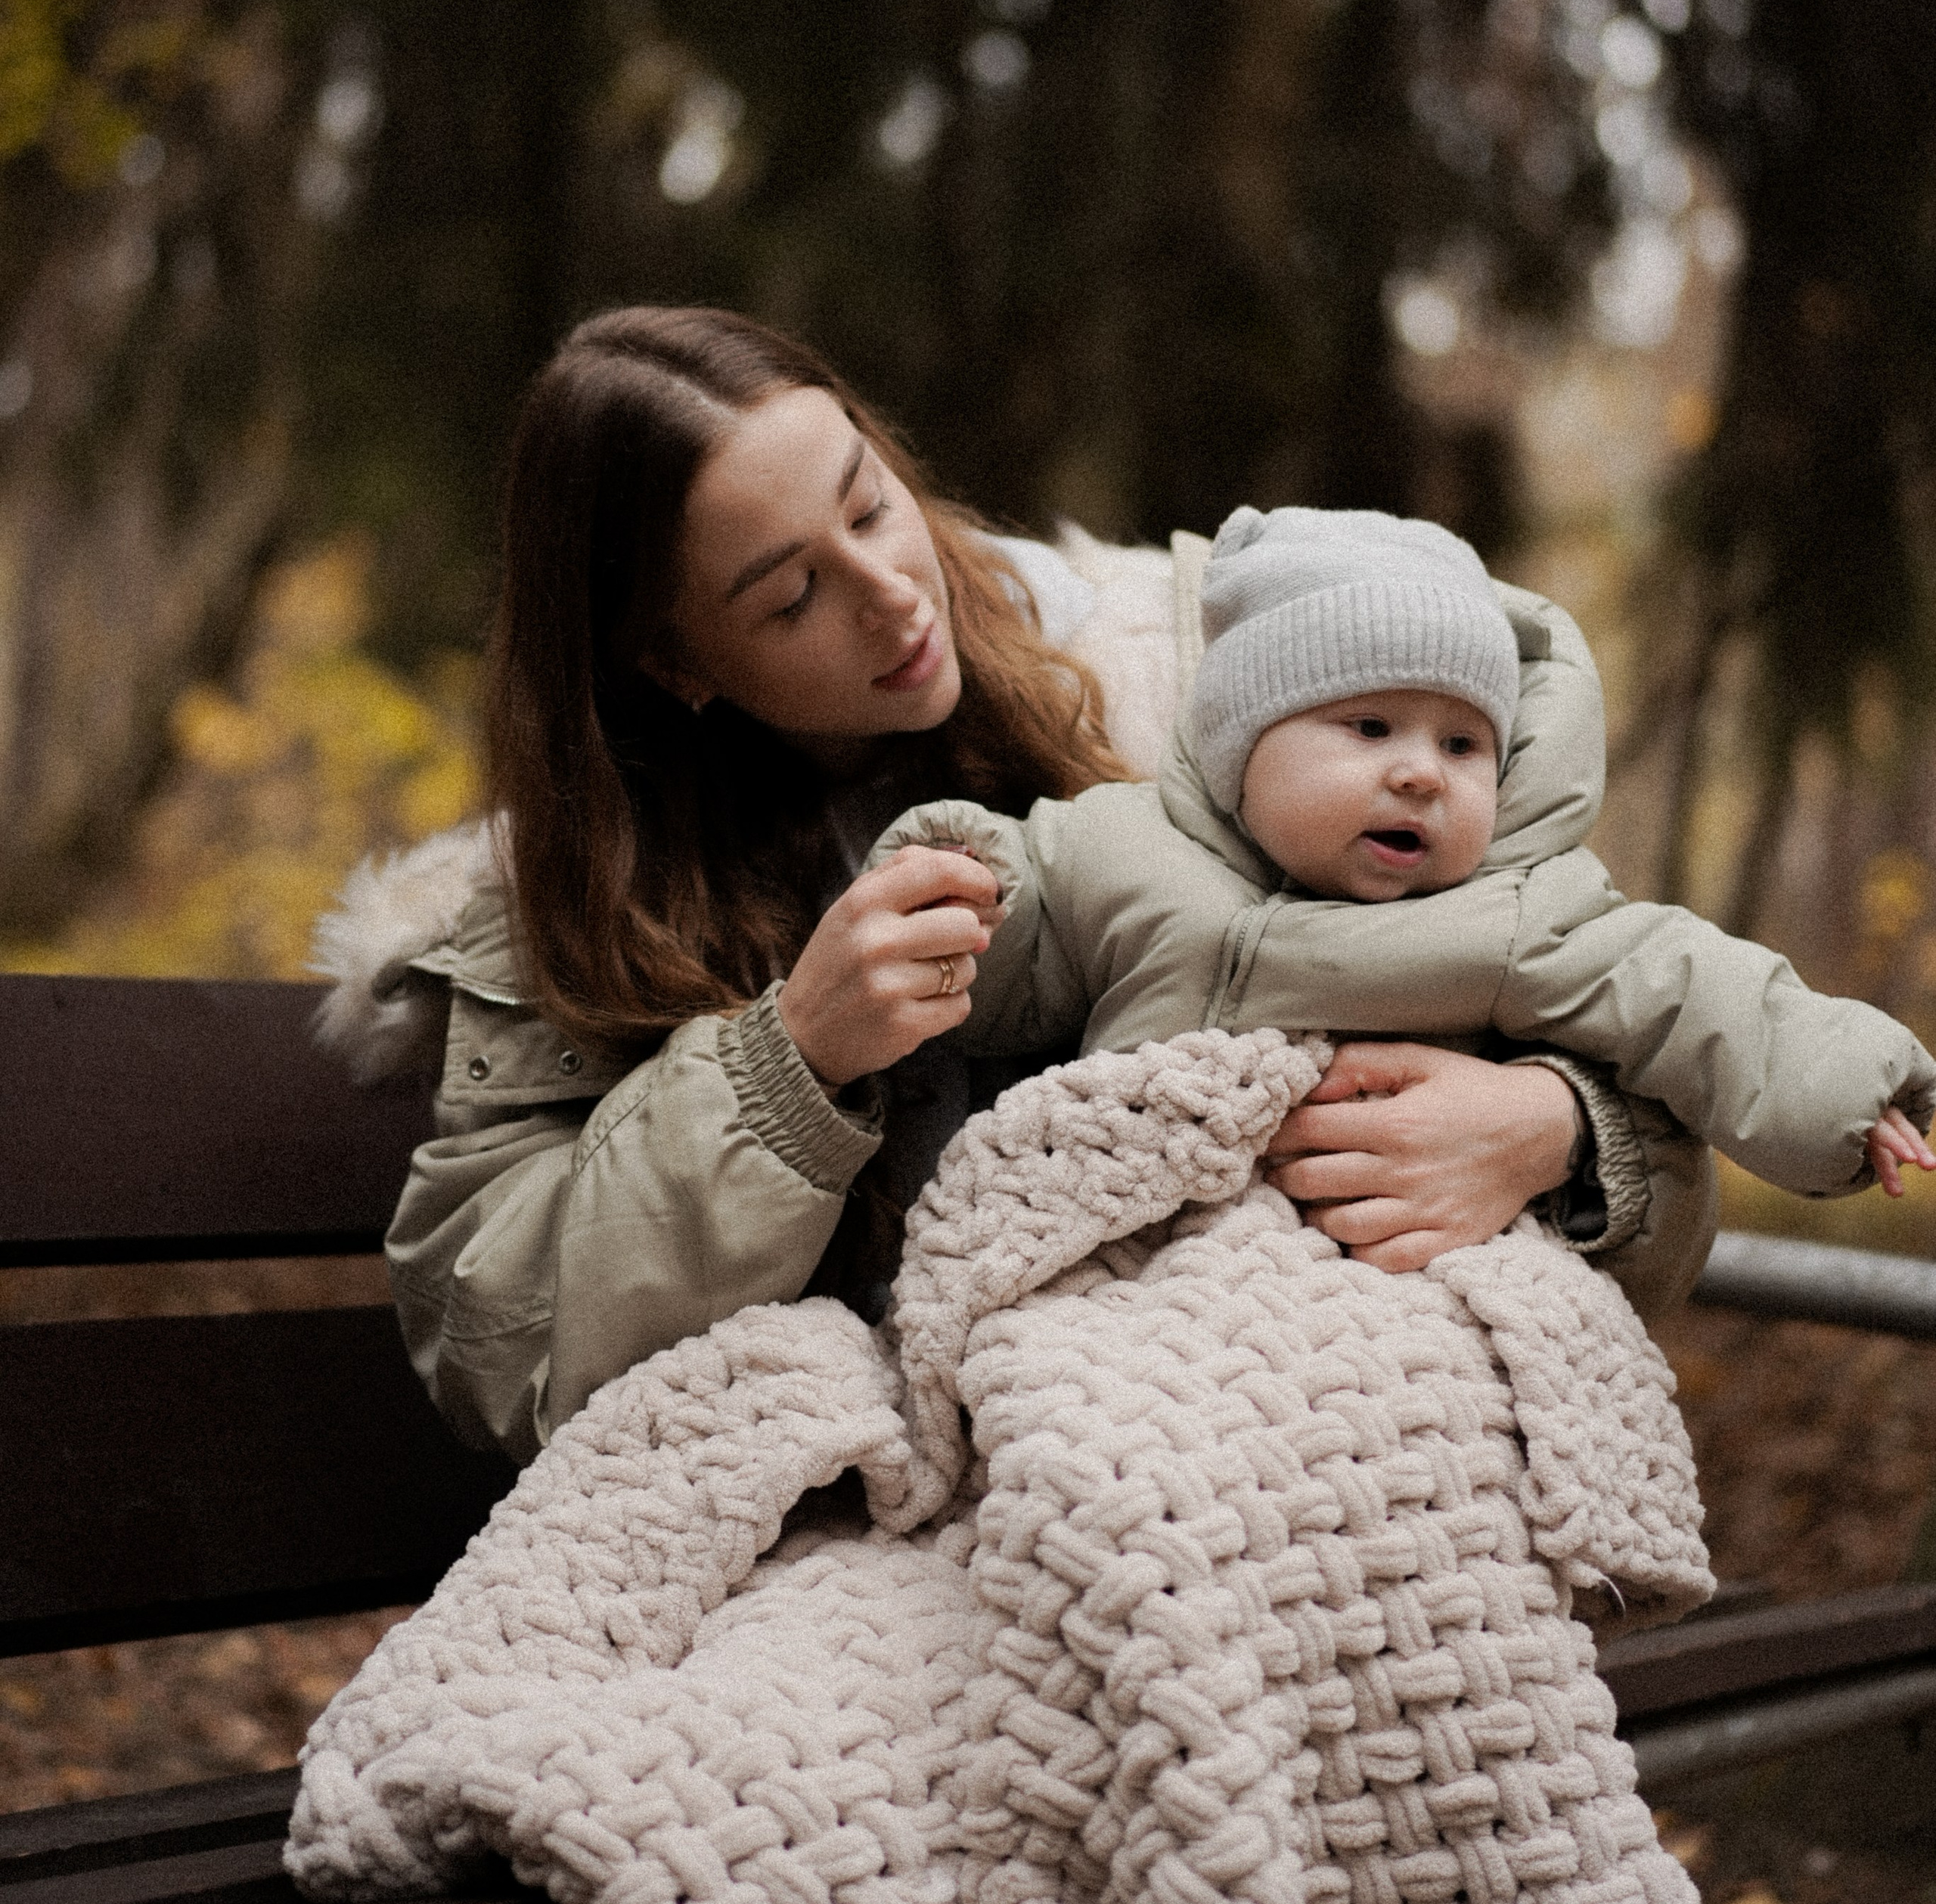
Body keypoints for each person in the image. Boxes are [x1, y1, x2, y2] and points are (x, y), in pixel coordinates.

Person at [314, 307, 1713, 1463]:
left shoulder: (1221, 684)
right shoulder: (581, 907)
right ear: (675, 664)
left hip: (1301, 1425)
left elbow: (1626, 1002)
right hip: (922, 1493)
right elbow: (504, 1348)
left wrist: (1560, 1132)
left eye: (872, 504)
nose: (893, 593)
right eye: (792, 597)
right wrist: (786, 1066)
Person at [870, 501, 1936, 1199]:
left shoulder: (1520, 911)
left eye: (1462, 745)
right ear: (1244, 743)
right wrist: (962, 882)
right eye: (1371, 728)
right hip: (1130, 1229)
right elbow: (1020, 954)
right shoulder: (1125, 846)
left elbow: (1692, 991)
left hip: (1370, 1267)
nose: (1422, 772)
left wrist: (1847, 1094)